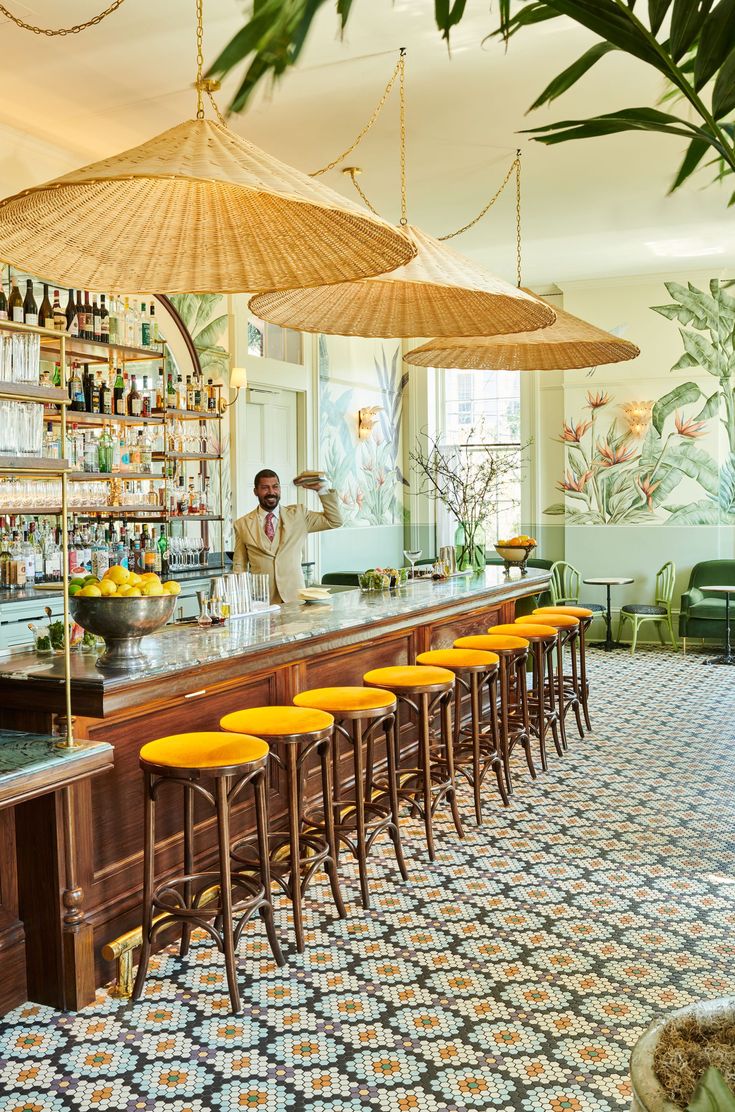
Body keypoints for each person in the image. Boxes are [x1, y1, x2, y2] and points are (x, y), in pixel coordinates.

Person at [232, 468, 343, 603]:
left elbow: (334, 520)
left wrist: (322, 489)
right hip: (262, 601)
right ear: (255, 491)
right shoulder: (242, 525)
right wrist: (240, 600)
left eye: (275, 487)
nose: (271, 492)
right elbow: (239, 565)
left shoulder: (299, 515)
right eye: (265, 488)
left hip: (295, 599)